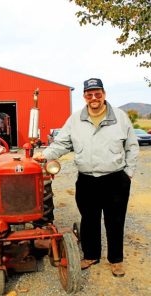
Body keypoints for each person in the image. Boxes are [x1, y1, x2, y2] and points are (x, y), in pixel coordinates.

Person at [34, 78, 139, 277]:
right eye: (89, 94)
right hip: (87, 180)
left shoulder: (120, 117)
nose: (94, 98)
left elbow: (132, 147)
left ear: (104, 94)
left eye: (97, 94)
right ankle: (90, 256)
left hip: (115, 179)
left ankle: (116, 260)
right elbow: (61, 144)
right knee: (89, 220)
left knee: (115, 221)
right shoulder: (75, 119)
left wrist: (128, 173)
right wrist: (45, 155)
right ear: (84, 96)